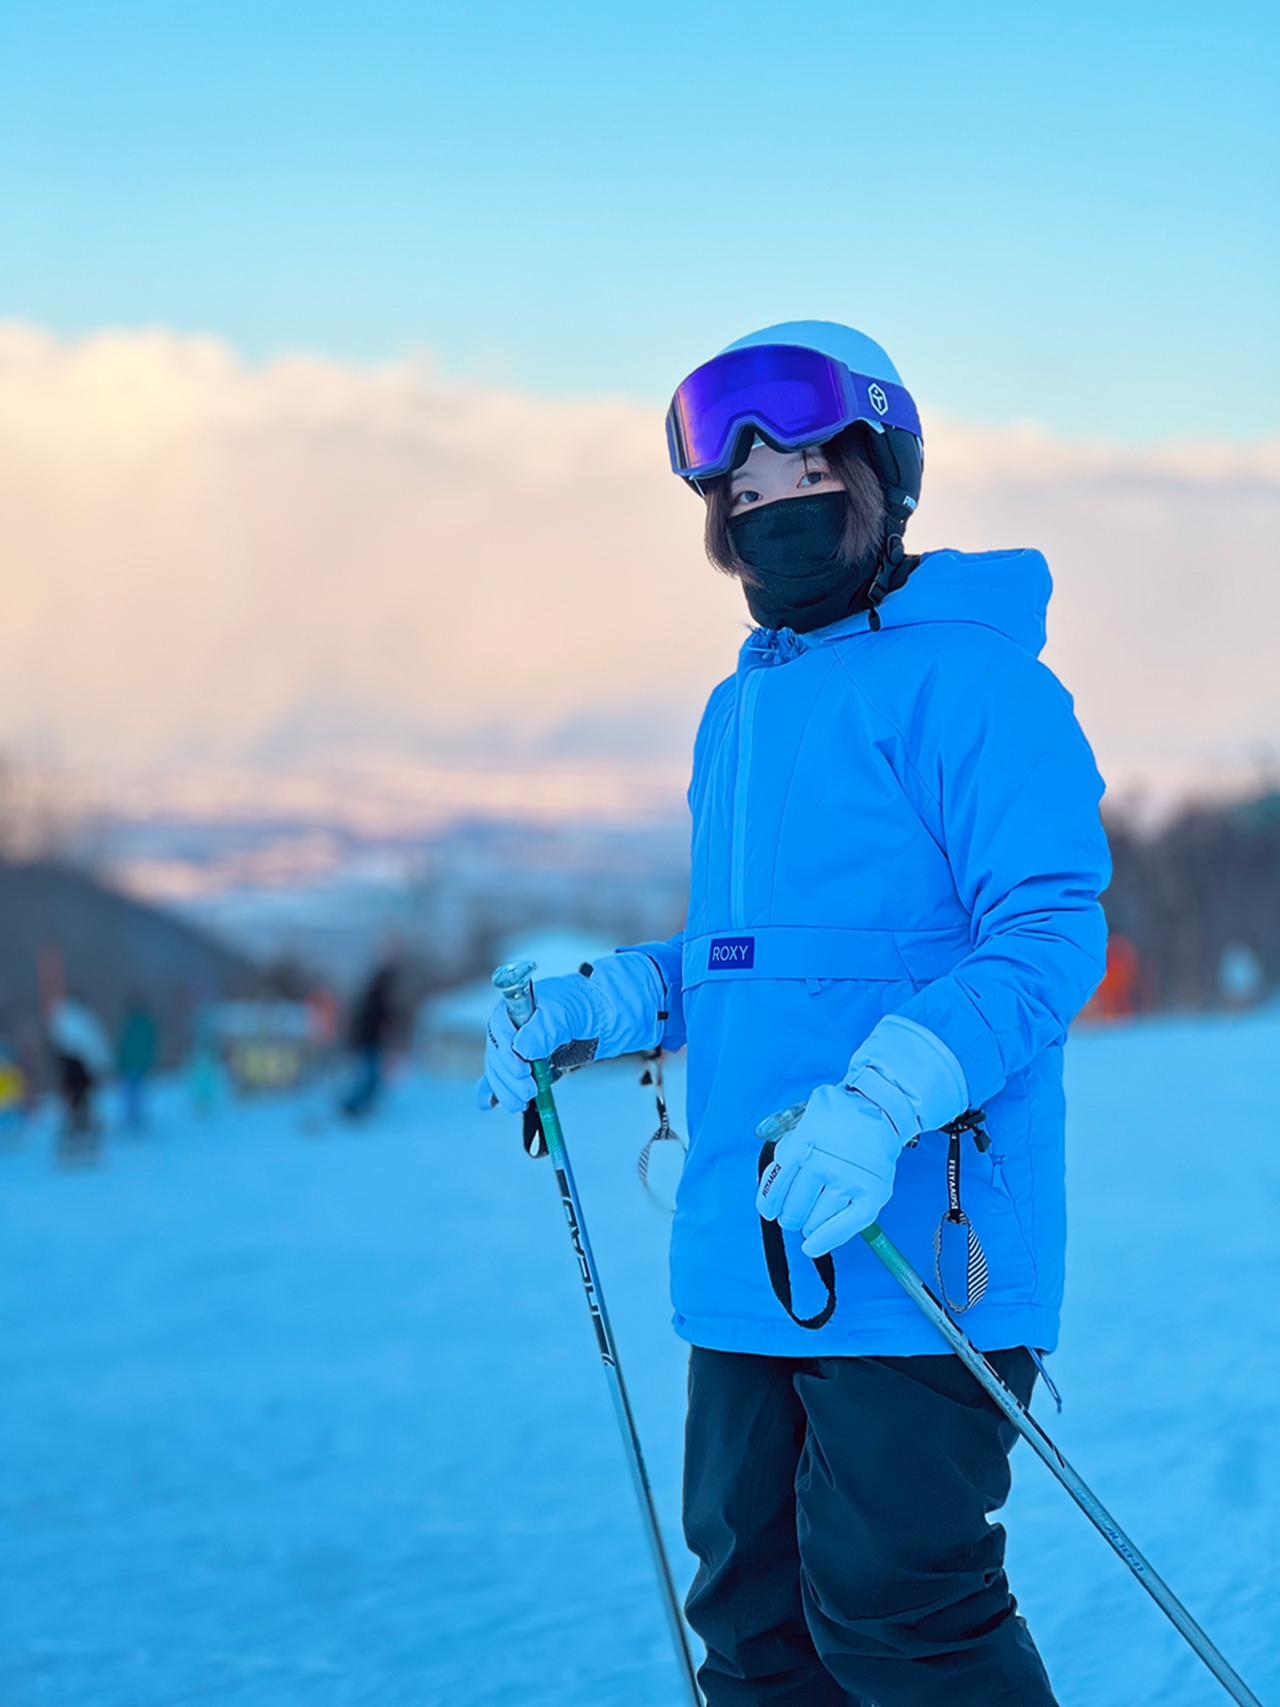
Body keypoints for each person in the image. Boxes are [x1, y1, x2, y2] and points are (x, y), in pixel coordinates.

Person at [481, 323, 1112, 1705]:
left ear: (884, 468)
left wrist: (882, 1096)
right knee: (755, 1618)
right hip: (746, 1242)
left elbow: (1050, 931)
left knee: (903, 1608)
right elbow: (746, 956)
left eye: (807, 462)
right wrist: (607, 998)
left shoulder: (980, 680)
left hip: (918, 1237)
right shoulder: (740, 710)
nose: (769, 493)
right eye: (740, 485)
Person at [47, 991, 113, 1164]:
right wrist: (101, 1068)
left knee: (74, 1110)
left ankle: (75, 1143)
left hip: (71, 1077)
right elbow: (95, 1048)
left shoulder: (60, 1018)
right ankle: (81, 1144)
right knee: (81, 1110)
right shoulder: (82, 1020)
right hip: (82, 1076)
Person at [341, 958, 401, 1120]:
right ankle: (354, 1106)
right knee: (369, 1077)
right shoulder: (376, 999)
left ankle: (358, 1105)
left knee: (370, 1077)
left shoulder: (370, 997)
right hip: (369, 1043)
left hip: (368, 1043)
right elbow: (381, 1020)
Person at [116, 996, 158, 1132]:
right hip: (135, 1065)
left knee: (133, 1094)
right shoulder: (142, 1024)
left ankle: (134, 1121)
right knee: (134, 1094)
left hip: (133, 1065)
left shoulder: (137, 1024)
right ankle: (134, 1121)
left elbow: (124, 1046)